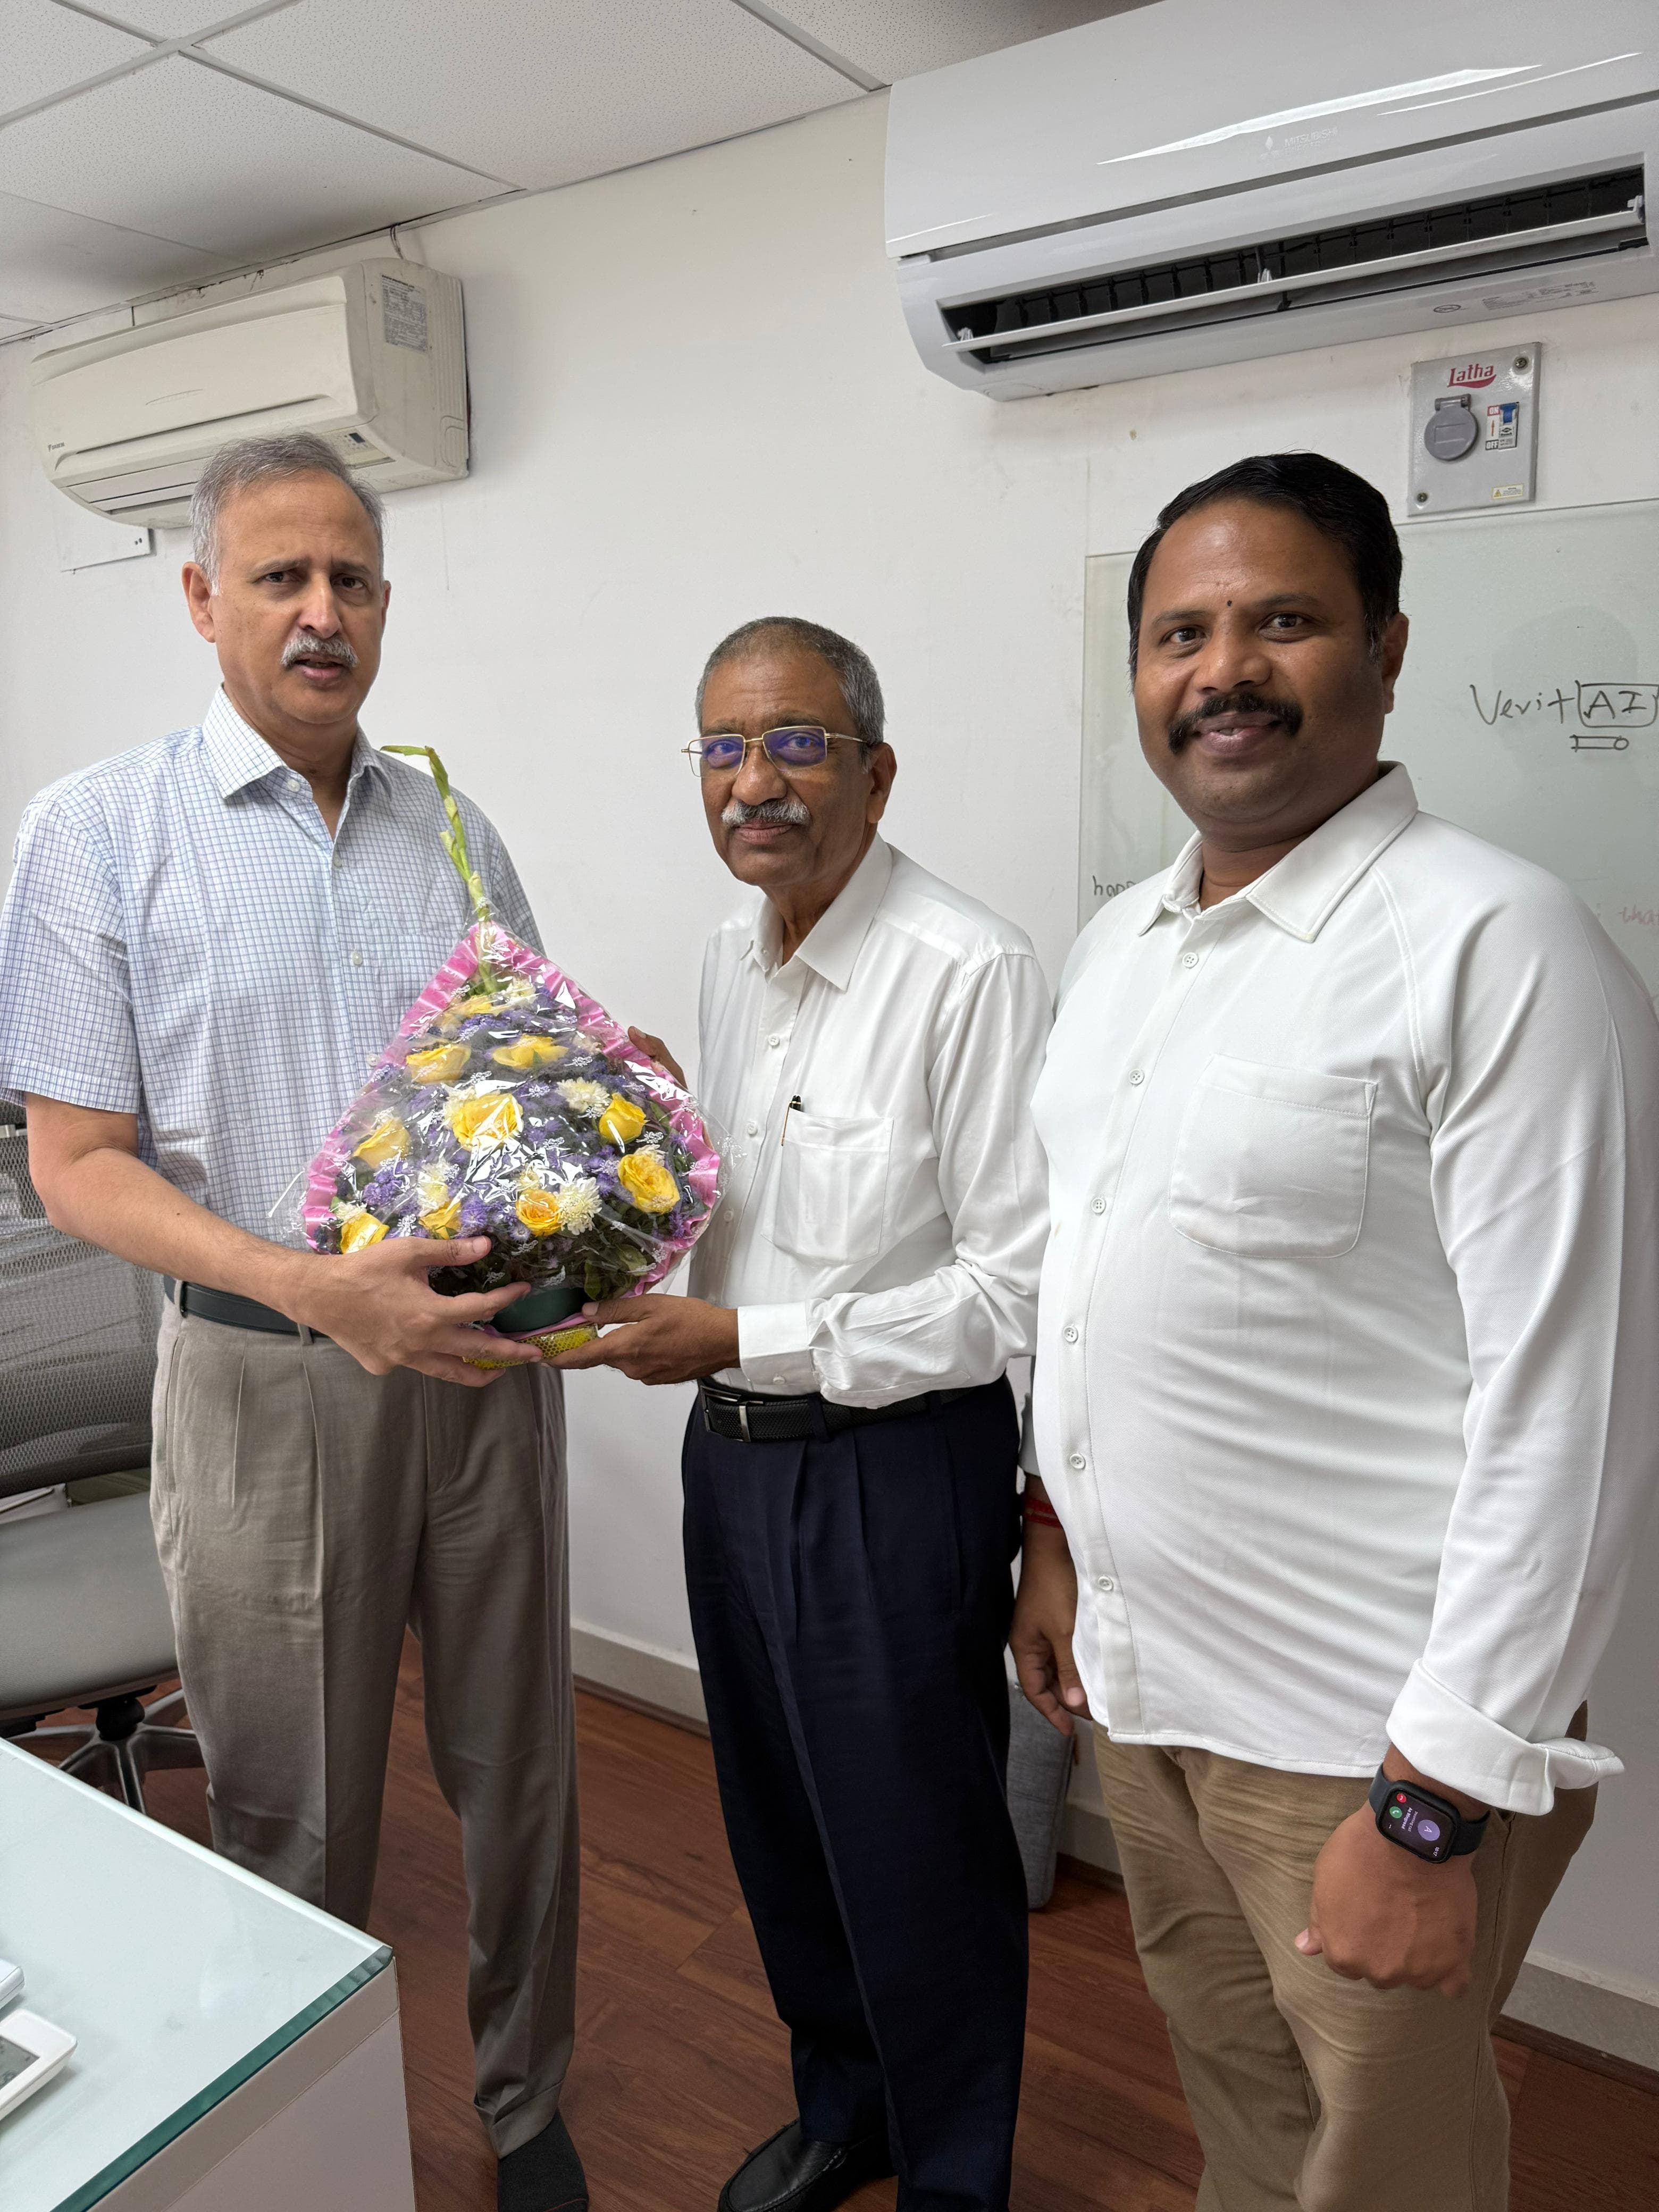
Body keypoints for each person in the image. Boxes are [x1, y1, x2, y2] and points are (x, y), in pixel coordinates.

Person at [1010, 451, 1659, 2212]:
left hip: (1358, 1742)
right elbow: (1091, 1284)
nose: (1222, 668)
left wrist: (1434, 1806)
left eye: (1281, 621)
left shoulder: (1498, 947)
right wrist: (1055, 1537)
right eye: (1179, 633)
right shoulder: (1122, 949)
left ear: (1382, 647)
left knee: (1391, 2174)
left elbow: (1574, 1418)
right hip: (1150, 1702)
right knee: (1250, 2122)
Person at [0, 434, 585, 2212]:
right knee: (293, 1811)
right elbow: (75, 1167)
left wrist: (607, 1129)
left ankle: (525, 2106)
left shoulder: (451, 826)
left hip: (479, 1372)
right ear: (204, 601)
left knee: (522, 1772)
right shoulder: (99, 832)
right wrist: (305, 1284)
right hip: (263, 1380)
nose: (320, 613)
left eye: (350, 581)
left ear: (385, 609)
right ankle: (304, 2143)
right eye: (280, 578)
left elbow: (525, 1079)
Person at [554, 617, 1050, 2212]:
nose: (753, 782)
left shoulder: (969, 970)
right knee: (780, 1824)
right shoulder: (732, 949)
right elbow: (741, 1199)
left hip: (896, 1470)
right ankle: (849, 2105)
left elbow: (1009, 1292)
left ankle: (957, 2171)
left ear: (875, 770)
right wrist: (626, 1146)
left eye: (794, 743)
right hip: (738, 1462)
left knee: (919, 1844)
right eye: (721, 748)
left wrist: (742, 1330)